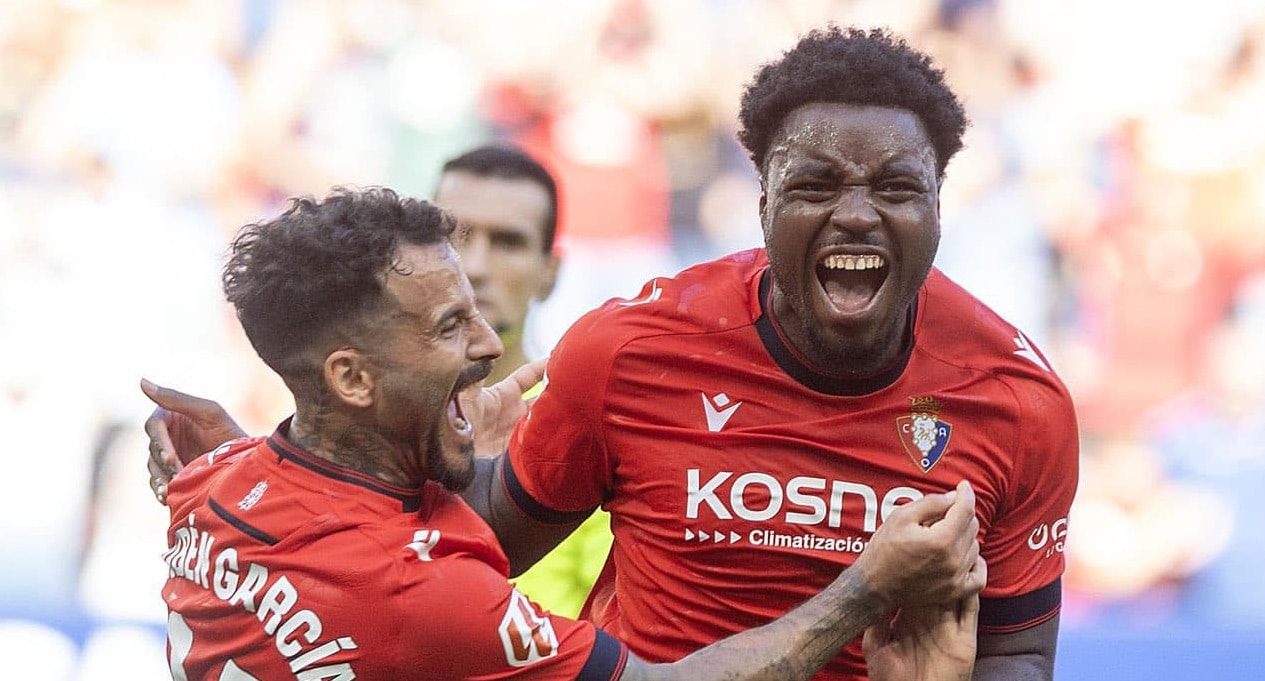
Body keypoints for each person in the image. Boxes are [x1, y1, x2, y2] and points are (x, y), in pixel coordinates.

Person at [147, 26, 1078, 681]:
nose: (857, 214)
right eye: (815, 183)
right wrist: (863, 591)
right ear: (758, 200)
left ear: (941, 204)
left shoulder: (1019, 399)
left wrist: (261, 468)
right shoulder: (628, 350)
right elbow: (473, 548)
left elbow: (1017, 652)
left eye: (897, 188)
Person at [154, 185, 985, 680]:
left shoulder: (210, 476)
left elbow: (291, 493)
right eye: (449, 326)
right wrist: (864, 589)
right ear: (351, 378)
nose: (488, 343)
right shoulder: (425, 595)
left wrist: (432, 460)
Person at [435, 143, 612, 616]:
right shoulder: (354, 409)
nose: (474, 267)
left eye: (508, 242)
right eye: (454, 237)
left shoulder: (591, 430)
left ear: (549, 274)